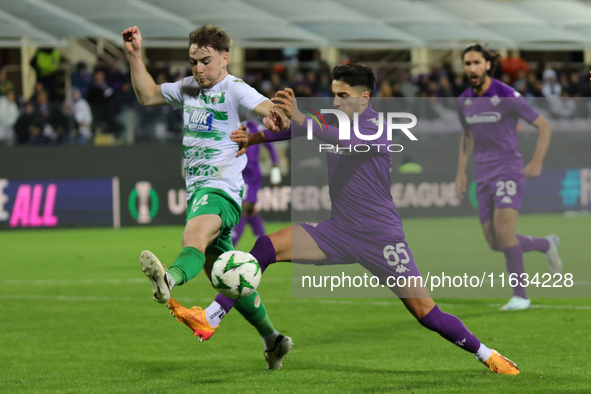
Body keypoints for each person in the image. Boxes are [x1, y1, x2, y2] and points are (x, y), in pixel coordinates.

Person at [169, 63, 522, 375]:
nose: (336, 101)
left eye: (343, 95)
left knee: (425, 312)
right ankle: (211, 317)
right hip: (338, 231)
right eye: (333, 94)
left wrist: (301, 117)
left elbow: (338, 138)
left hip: (381, 238)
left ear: (364, 97)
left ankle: (487, 354)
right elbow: (297, 129)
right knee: (266, 246)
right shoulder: (333, 118)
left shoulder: (377, 128)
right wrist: (255, 138)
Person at [121, 24, 292, 369]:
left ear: (224, 58)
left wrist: (275, 117)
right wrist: (135, 55)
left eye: (206, 60)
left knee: (193, 235)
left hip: (221, 190)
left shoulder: (234, 89)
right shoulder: (186, 87)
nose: (199, 68)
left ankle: (168, 279)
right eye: (194, 61)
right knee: (226, 278)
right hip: (198, 189)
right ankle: (273, 340)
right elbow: (148, 95)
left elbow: (270, 112)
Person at [455, 44, 562, 311]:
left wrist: (536, 161)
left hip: (507, 169)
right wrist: (460, 171)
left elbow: (543, 125)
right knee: (495, 242)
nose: (472, 68)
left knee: (504, 232)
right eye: (467, 64)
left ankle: (520, 296)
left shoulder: (505, 94)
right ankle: (546, 244)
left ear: (488, 65)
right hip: (482, 174)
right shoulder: (464, 100)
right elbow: (467, 136)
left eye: (477, 63)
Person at [231, 119, 282, 246]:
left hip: (251, 174)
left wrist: (275, 168)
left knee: (243, 207)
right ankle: (264, 243)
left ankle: (230, 246)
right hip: (237, 171)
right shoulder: (232, 123)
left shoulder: (255, 126)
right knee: (250, 210)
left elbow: (270, 146)